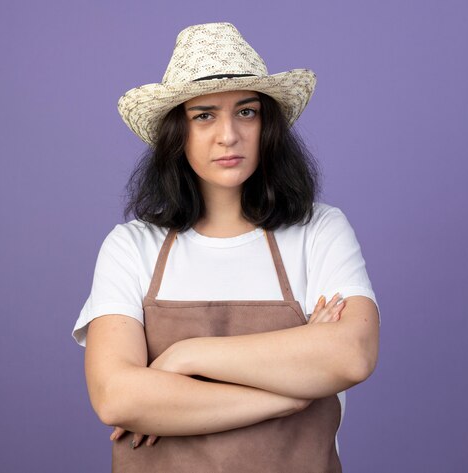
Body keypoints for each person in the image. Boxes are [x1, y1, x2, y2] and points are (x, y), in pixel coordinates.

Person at [72, 22, 380, 472]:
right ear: (177, 134)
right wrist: (290, 395)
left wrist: (183, 357)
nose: (229, 135)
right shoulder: (132, 246)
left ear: (267, 124)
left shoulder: (320, 230)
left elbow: (351, 354)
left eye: (247, 112)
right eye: (204, 115)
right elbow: (116, 397)